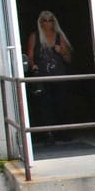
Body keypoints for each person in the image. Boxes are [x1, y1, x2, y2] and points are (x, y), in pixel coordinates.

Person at [24, 11, 74, 143]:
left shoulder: (59, 36)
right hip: (42, 77)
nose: (47, 23)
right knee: (44, 106)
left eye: (50, 20)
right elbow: (29, 55)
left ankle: (62, 132)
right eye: (44, 20)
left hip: (59, 75)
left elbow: (69, 57)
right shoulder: (35, 36)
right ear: (40, 22)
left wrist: (61, 51)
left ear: (54, 21)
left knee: (60, 104)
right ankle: (47, 134)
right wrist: (33, 65)